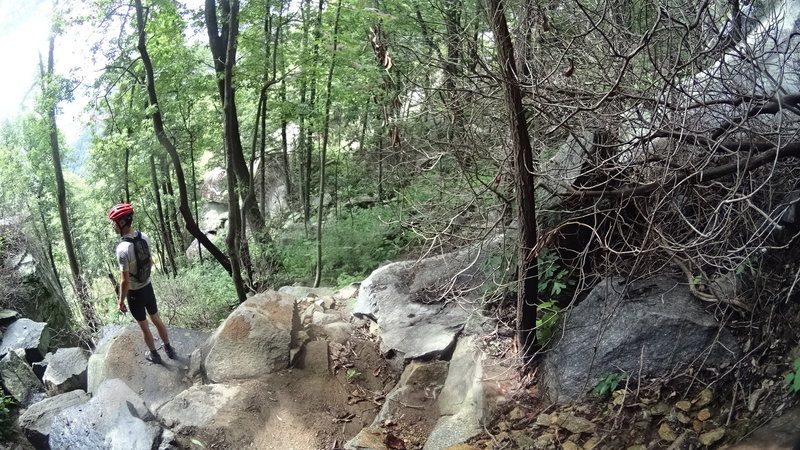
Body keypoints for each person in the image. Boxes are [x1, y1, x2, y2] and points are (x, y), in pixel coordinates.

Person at [108, 203, 176, 364]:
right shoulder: (144, 237)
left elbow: (124, 281)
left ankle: (154, 355)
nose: (113, 226)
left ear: (122, 222)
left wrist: (120, 301)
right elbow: (150, 261)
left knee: (144, 326)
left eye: (114, 222)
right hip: (148, 287)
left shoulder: (122, 249)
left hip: (134, 294)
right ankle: (169, 349)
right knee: (156, 318)